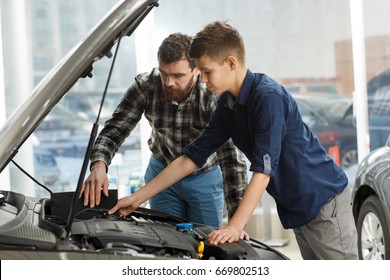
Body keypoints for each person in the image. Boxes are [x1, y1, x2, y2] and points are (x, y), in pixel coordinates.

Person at [107, 21, 358, 260]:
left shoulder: (267, 98)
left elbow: (263, 170)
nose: (202, 80)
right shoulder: (227, 105)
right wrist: (136, 198)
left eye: (206, 71)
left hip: (323, 203)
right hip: (296, 206)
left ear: (230, 62)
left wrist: (235, 226)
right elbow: (191, 157)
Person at [80, 33, 248, 228]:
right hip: (161, 174)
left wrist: (237, 223)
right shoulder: (145, 86)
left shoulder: (213, 96)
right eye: (163, 73)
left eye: (177, 76)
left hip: (204, 178)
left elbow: (232, 160)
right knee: (166, 242)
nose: (168, 82)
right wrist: (99, 164)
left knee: (206, 243)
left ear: (196, 71)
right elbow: (115, 130)